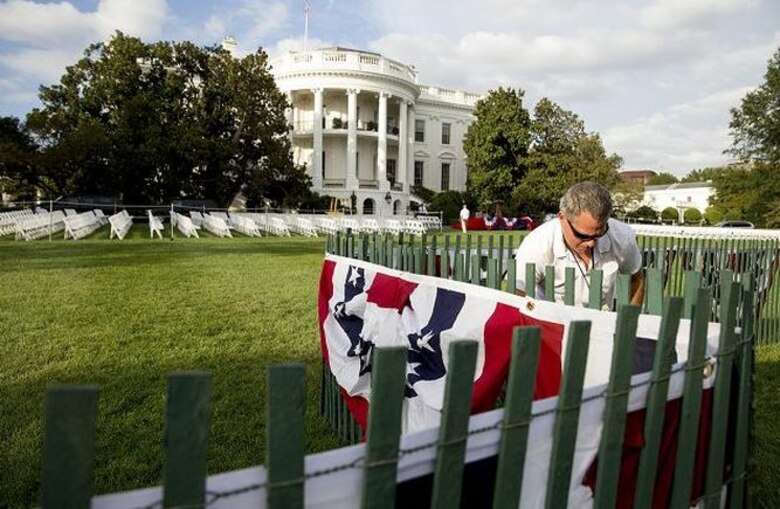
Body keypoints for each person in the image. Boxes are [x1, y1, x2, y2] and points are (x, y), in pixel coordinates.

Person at [514, 181, 644, 308]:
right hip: (551, 325)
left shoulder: (622, 237)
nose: (591, 243)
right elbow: (516, 296)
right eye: (582, 235)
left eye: (599, 233)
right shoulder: (537, 244)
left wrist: (629, 321)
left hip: (600, 325)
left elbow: (636, 279)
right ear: (562, 217)